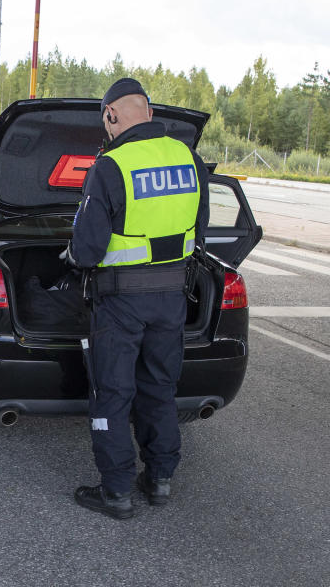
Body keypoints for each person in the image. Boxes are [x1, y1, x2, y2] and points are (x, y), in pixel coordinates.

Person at [67, 78, 210, 519]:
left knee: (113, 393)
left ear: (111, 115)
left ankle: (116, 493)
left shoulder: (111, 165)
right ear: (147, 111)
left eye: (105, 122)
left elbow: (88, 249)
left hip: (121, 303)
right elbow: (199, 232)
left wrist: (70, 256)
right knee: (159, 391)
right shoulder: (189, 159)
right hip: (171, 299)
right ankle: (160, 479)